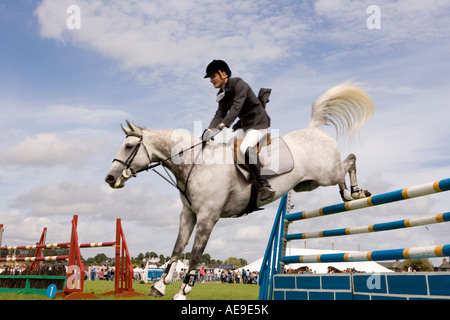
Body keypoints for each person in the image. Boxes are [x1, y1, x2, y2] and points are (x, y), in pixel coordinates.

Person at [202, 60, 275, 201]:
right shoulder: (222, 93)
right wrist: (209, 130)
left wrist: (222, 126)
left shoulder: (239, 84)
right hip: (245, 126)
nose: (211, 80)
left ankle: (265, 185)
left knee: (244, 149)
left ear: (223, 74)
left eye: (212, 76)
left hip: (258, 123)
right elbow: (220, 113)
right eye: (210, 78)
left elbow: (236, 107)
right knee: (229, 148)